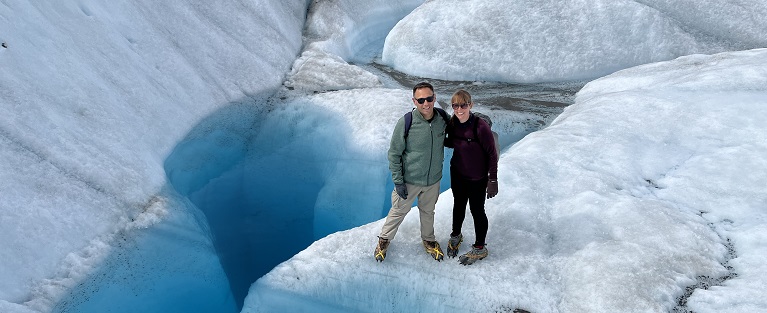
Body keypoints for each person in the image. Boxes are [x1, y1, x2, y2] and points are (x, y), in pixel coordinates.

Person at [374, 82, 448, 262]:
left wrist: (478, 124)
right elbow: (394, 153)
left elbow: (460, 132)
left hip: (432, 180)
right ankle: (384, 240)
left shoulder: (442, 119)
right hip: (409, 180)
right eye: (421, 100)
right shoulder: (407, 122)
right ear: (414, 101)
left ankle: (429, 240)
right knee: (398, 211)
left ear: (434, 98)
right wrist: (398, 181)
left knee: (428, 212)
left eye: (429, 99)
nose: (426, 103)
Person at [444, 89, 498, 265]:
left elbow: (491, 154)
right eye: (455, 106)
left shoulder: (480, 126)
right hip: (458, 174)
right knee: (458, 206)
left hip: (477, 178)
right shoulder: (453, 124)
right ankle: (455, 235)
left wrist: (492, 180)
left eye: (463, 105)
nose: (459, 109)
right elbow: (451, 142)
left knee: (477, 210)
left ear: (470, 105)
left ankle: (480, 248)